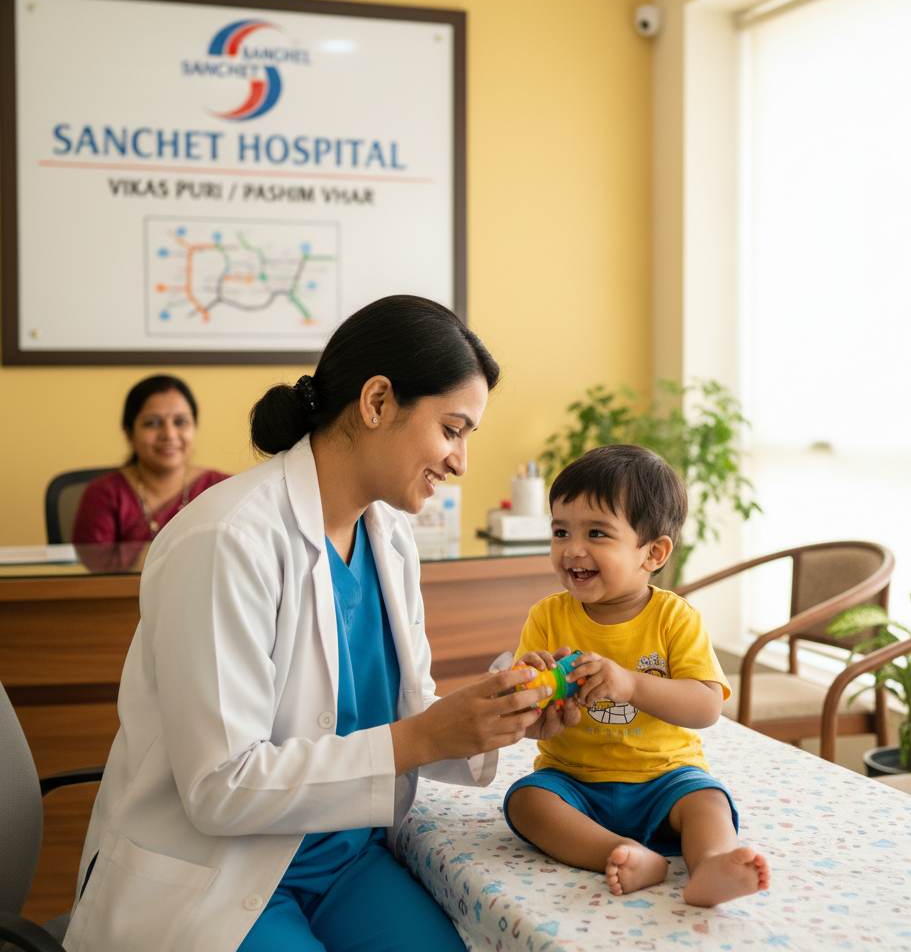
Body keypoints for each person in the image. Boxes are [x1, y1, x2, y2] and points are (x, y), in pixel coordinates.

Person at [64, 296, 549, 952]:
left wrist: (500, 715)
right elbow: (220, 788)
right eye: (453, 429)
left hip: (346, 859)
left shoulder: (391, 535)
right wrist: (422, 737)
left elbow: (406, 713)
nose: (461, 460)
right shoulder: (228, 539)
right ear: (377, 402)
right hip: (218, 872)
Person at [503, 444, 771, 906]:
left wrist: (630, 683)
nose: (573, 549)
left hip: (665, 778)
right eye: (561, 531)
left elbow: (707, 706)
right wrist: (531, 689)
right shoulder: (546, 617)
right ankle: (624, 854)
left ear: (653, 552)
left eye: (598, 534)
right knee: (526, 802)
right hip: (573, 780)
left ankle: (711, 865)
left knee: (708, 800)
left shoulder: (675, 618)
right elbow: (523, 720)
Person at [72, 375, 230, 544]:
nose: (169, 434)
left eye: (181, 421)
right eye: (152, 423)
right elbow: (92, 567)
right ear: (129, 433)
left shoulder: (223, 489)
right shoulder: (104, 494)